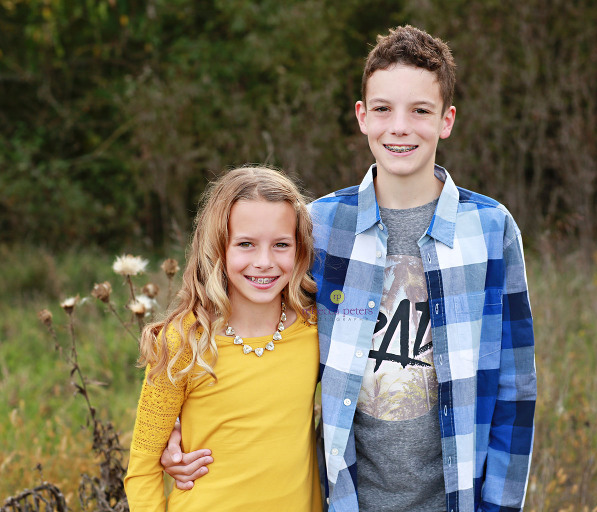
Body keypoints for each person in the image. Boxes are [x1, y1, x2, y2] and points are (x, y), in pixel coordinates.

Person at [162, 25, 537, 512]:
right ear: (362, 116)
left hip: (457, 498)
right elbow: (249, 335)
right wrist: (180, 421)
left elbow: (515, 388)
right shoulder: (319, 226)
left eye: (420, 111)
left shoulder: (489, 229)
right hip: (345, 497)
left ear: (446, 120)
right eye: (383, 109)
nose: (399, 127)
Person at [124, 166, 322, 511]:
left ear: (300, 249)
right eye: (245, 244)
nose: (264, 262)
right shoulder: (184, 341)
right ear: (218, 247)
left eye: (281, 245)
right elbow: (142, 469)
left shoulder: (317, 331)